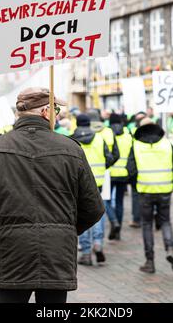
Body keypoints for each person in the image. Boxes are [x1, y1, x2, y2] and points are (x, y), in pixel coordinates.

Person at [0, 87, 104, 304]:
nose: (58, 115)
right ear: (46, 112)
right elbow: (93, 207)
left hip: (9, 252)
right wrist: (63, 232)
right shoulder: (71, 149)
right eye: (56, 110)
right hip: (56, 253)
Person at [127, 119, 173, 274]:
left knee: (146, 224)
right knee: (165, 221)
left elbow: (130, 169)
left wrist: (136, 185)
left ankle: (150, 261)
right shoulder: (166, 144)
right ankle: (170, 249)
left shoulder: (136, 146)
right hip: (165, 189)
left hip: (145, 190)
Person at [71, 113, 114, 265]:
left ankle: (86, 252)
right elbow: (109, 158)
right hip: (98, 181)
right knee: (98, 211)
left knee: (80, 214)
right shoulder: (99, 138)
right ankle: (98, 243)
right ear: (89, 123)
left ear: (76, 123)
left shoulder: (71, 139)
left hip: (77, 183)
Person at [105, 113, 133, 240]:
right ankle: (118, 231)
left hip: (109, 173)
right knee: (120, 202)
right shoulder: (128, 135)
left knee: (106, 200)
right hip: (124, 173)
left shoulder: (107, 134)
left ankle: (113, 220)